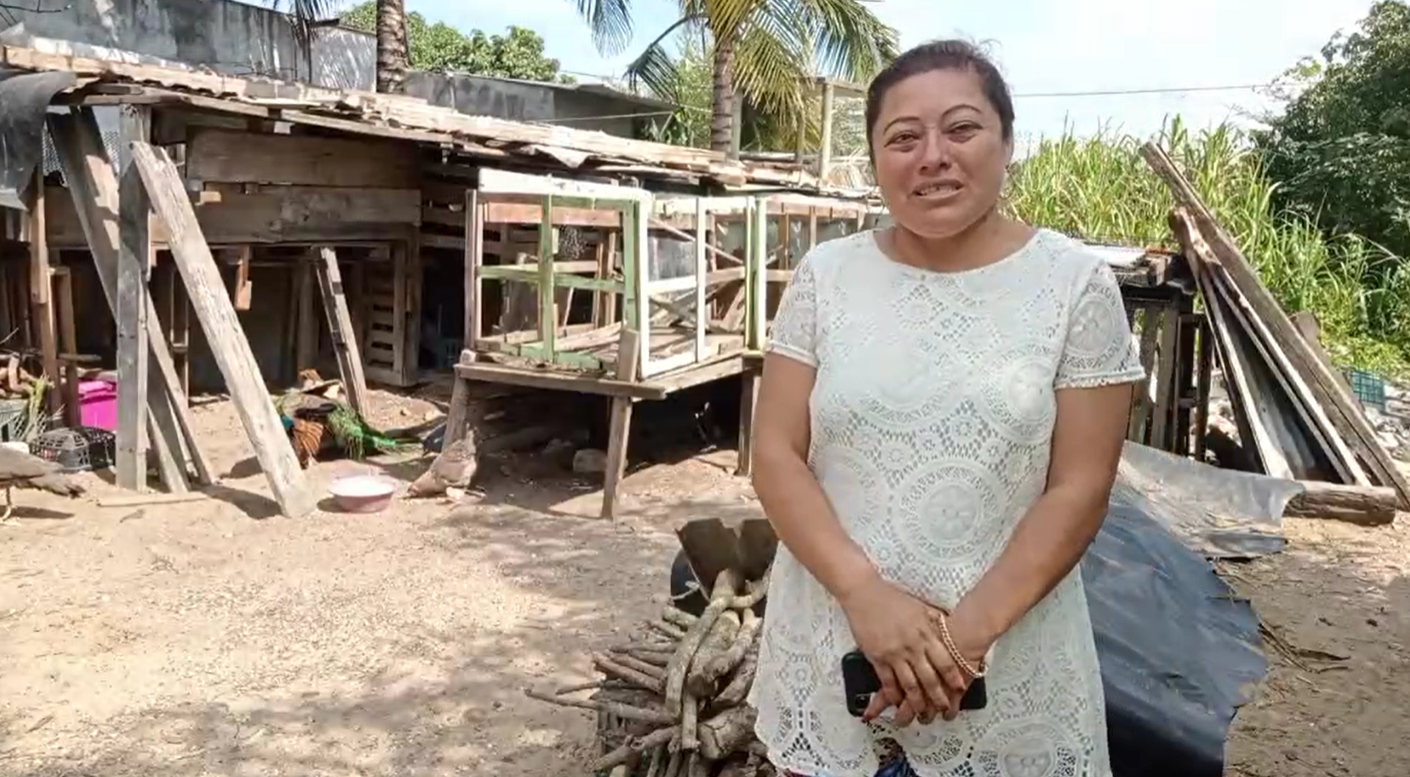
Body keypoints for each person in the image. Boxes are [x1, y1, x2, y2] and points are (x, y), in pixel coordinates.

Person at [746, 39, 1145, 777]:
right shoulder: (825, 278)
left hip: (1010, 661)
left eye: (961, 128)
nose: (932, 155)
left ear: (1008, 142)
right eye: (903, 138)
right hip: (834, 643)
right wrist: (865, 593)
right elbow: (774, 453)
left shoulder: (1073, 287)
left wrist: (962, 641)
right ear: (875, 160)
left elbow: (1080, 485)